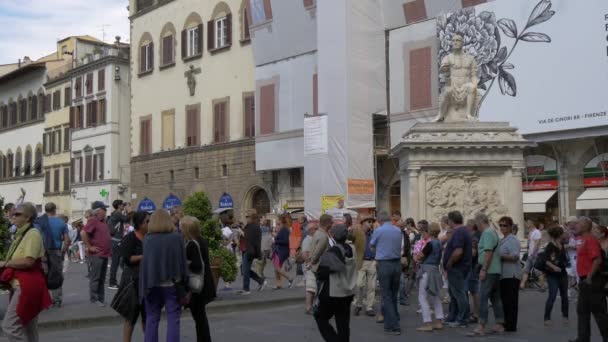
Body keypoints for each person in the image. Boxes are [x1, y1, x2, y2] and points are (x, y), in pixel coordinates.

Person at [0, 202, 52, 341]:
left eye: (17, 214)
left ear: (28, 218)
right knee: (28, 328)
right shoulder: (21, 234)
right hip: (24, 284)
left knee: (10, 326)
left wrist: (4, 263)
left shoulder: (32, 234)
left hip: (27, 285)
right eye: (13, 213)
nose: (13, 215)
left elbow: (28, 261)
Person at [140, 209, 187, 342]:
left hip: (152, 284)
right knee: (173, 319)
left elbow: (146, 265)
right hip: (172, 283)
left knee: (152, 318)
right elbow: (181, 261)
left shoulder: (148, 239)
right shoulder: (177, 237)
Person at [314, 224, 357, 342]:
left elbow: (322, 272)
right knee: (343, 323)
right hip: (348, 290)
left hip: (334, 291)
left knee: (320, 317)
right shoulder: (352, 248)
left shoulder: (334, 251)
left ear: (332, 235)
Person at [569, 217, 608, 342]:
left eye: (579, 224)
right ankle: (583, 338)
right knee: (582, 310)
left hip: (592, 280)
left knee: (599, 312)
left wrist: (590, 276)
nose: (576, 226)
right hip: (584, 280)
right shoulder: (582, 240)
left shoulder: (590, 240)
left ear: (586, 226)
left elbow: (597, 259)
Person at [113, 211, 149, 342]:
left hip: (146, 280)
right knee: (131, 316)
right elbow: (127, 259)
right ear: (140, 224)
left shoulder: (150, 237)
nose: (149, 223)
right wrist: (143, 257)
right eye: (147, 221)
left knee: (147, 315)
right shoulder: (130, 238)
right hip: (132, 280)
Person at [468, 213, 504, 336]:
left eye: (476, 224)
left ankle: (481, 325)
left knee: (483, 297)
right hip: (494, 269)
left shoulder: (487, 233)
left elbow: (488, 252)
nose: (476, 226)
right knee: (495, 298)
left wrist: (483, 269)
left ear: (479, 222)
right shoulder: (492, 232)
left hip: (489, 270)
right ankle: (499, 324)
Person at [182, 216, 216, 342]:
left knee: (199, 317)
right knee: (201, 316)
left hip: (197, 285)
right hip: (205, 282)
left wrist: (185, 263)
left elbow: (196, 265)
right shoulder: (202, 240)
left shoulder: (191, 244)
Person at [370, 211, 403, 335]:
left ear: (379, 220)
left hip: (384, 264)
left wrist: (379, 250)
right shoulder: (398, 230)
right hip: (396, 264)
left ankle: (394, 325)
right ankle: (393, 319)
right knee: (393, 293)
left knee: (386, 294)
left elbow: (372, 246)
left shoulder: (379, 231)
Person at [443, 210, 472, 328]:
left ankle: (463, 319)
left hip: (457, 268)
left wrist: (449, 263)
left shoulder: (459, 232)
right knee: (454, 293)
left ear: (451, 220)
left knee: (459, 294)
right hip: (459, 268)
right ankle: (453, 316)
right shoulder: (464, 231)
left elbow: (458, 251)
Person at [81, 201, 112, 306]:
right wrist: (89, 247)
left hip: (104, 254)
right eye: (104, 209)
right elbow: (83, 233)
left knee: (102, 278)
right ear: (99, 210)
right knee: (96, 277)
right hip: (97, 255)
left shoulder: (103, 221)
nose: (106, 211)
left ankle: (101, 298)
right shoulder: (93, 220)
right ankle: (94, 299)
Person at [415, 222, 445, 332]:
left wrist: (418, 257)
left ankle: (427, 323)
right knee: (435, 296)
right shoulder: (439, 243)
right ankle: (439, 321)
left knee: (422, 297)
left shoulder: (430, 244)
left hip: (427, 270)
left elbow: (420, 256)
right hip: (435, 270)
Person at [497, 216, 521, 332]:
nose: (502, 227)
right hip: (504, 274)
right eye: (500, 225)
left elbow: (515, 257)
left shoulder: (512, 239)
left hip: (512, 274)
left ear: (511, 227)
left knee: (510, 301)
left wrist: (499, 257)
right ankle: (507, 324)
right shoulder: (503, 239)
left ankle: (511, 326)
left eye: (505, 225)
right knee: (505, 301)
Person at [43, 203, 70, 308]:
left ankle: (44, 301)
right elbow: (67, 240)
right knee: (56, 275)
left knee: (43, 275)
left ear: (45, 210)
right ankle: (57, 300)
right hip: (56, 251)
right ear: (54, 210)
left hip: (42, 251)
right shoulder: (61, 222)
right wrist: (63, 251)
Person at [543, 225, 569, 326]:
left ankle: (565, 316)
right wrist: (554, 267)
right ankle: (547, 318)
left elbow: (568, 238)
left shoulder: (562, 243)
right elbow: (545, 260)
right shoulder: (550, 245)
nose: (564, 234)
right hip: (552, 275)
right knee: (552, 295)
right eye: (562, 233)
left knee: (564, 296)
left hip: (563, 273)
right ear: (559, 235)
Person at [353, 215, 377, 317]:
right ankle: (358, 304)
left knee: (371, 286)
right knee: (359, 284)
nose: (371, 223)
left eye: (372, 221)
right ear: (363, 223)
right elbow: (349, 238)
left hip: (372, 262)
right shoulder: (357, 232)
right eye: (369, 221)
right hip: (361, 262)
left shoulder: (374, 234)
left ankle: (369, 307)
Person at [239, 211, 266, 294]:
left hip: (249, 251)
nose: (246, 218)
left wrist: (242, 233)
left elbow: (255, 241)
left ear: (252, 217)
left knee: (245, 270)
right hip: (245, 250)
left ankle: (246, 289)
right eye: (246, 216)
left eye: (248, 216)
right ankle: (260, 280)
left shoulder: (254, 227)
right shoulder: (249, 226)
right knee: (243, 269)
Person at [108, 200, 128, 290]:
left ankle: (115, 281)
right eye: (123, 205)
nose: (124, 206)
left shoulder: (115, 213)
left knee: (120, 261)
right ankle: (112, 282)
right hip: (117, 241)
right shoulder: (117, 213)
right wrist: (129, 211)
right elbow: (127, 219)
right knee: (116, 262)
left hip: (117, 240)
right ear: (119, 206)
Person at [272, 214, 294, 289]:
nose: (277, 221)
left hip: (281, 251)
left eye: (278, 220)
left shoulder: (284, 229)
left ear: (281, 221)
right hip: (279, 250)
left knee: (277, 267)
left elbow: (286, 241)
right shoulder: (283, 228)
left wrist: (276, 240)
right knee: (277, 268)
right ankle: (278, 284)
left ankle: (289, 278)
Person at [466, 219, 481, 323]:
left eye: (467, 225)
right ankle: (477, 312)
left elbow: (473, 252)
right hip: (476, 266)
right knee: (474, 291)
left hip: (473, 267)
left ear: (471, 226)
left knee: (474, 291)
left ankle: (477, 314)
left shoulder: (473, 237)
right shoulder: (478, 235)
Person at [521, 220, 543, 289]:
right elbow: (530, 244)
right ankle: (522, 285)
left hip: (534, 255)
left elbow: (537, 243)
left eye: (528, 223)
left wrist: (533, 253)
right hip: (530, 255)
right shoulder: (531, 232)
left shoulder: (537, 232)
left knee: (537, 271)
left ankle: (542, 286)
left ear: (532, 224)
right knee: (526, 270)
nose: (526, 225)